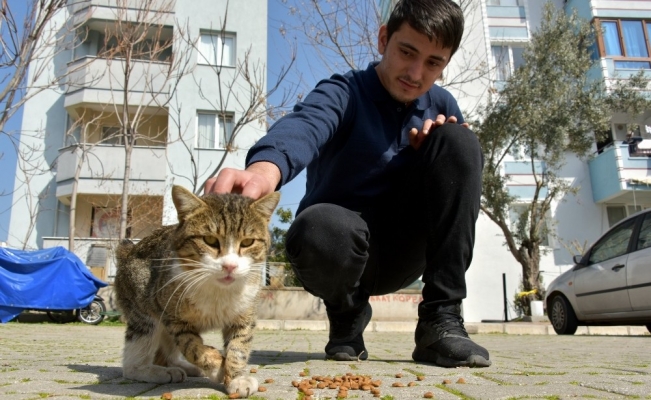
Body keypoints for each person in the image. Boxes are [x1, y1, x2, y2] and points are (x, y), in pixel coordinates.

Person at [205, 0, 490, 368]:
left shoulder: (442, 104)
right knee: (318, 226)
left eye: (433, 63)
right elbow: (305, 126)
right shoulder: (343, 91)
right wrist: (263, 171)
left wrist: (431, 156)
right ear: (383, 39)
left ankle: (441, 319)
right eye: (407, 52)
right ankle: (347, 317)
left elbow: (457, 185)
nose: (416, 73)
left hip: (405, 252)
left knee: (459, 140)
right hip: (336, 249)